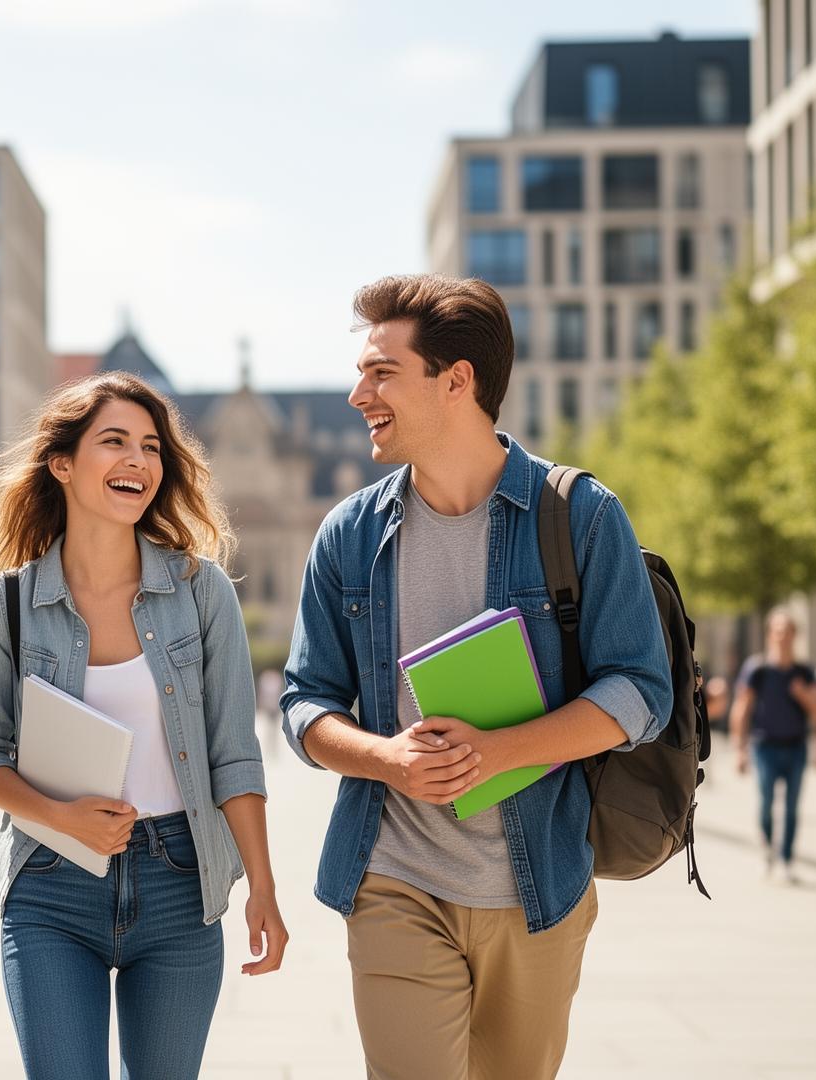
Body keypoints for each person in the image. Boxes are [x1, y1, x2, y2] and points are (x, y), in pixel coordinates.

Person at [281, 275, 673, 1080]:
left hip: (537, 889)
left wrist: (503, 751)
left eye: (382, 372)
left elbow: (639, 690)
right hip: (392, 877)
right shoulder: (348, 534)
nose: (358, 394)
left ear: (456, 380)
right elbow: (304, 702)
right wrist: (384, 758)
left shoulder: (584, 515)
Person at [0, 372, 288, 1080]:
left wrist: (261, 885)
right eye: (114, 442)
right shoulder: (6, 604)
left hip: (178, 882)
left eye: (151, 447)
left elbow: (234, 754)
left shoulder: (203, 594)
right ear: (63, 463)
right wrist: (58, 816)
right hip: (49, 883)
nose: (138, 460)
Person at [729, 610, 816, 883]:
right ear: (770, 634)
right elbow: (742, 708)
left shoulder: (805, 672)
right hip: (764, 747)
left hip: (796, 746)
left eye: (788, 631)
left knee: (792, 807)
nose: (783, 637)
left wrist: (803, 694)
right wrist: (739, 749)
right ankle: (767, 852)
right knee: (766, 804)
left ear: (795, 635)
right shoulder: (757, 669)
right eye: (777, 631)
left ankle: (787, 859)